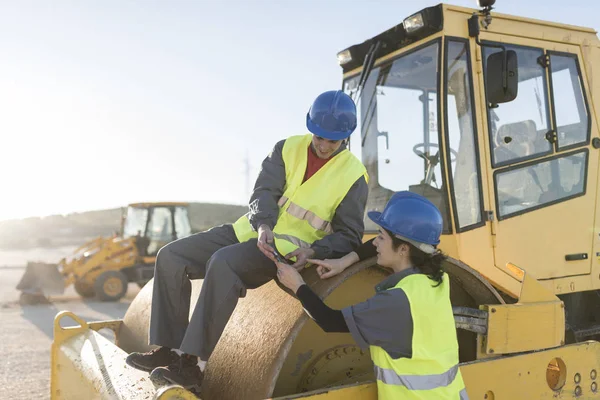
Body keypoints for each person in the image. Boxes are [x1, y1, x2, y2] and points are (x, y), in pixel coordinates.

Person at [125, 90, 369, 392]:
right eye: (318, 136)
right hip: (251, 231)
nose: (323, 145)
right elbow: (263, 192)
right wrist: (263, 223)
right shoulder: (288, 148)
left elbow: (349, 235)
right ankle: (168, 349)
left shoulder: (353, 175)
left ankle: (193, 367)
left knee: (223, 263)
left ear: (346, 137)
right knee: (171, 256)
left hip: (286, 252)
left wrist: (315, 250)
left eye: (332, 140)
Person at [276, 191, 468, 400]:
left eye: (381, 237)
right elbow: (386, 243)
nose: (375, 242)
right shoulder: (436, 280)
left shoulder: (397, 301)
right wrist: (344, 261)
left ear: (403, 249)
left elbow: (329, 320)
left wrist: (297, 285)